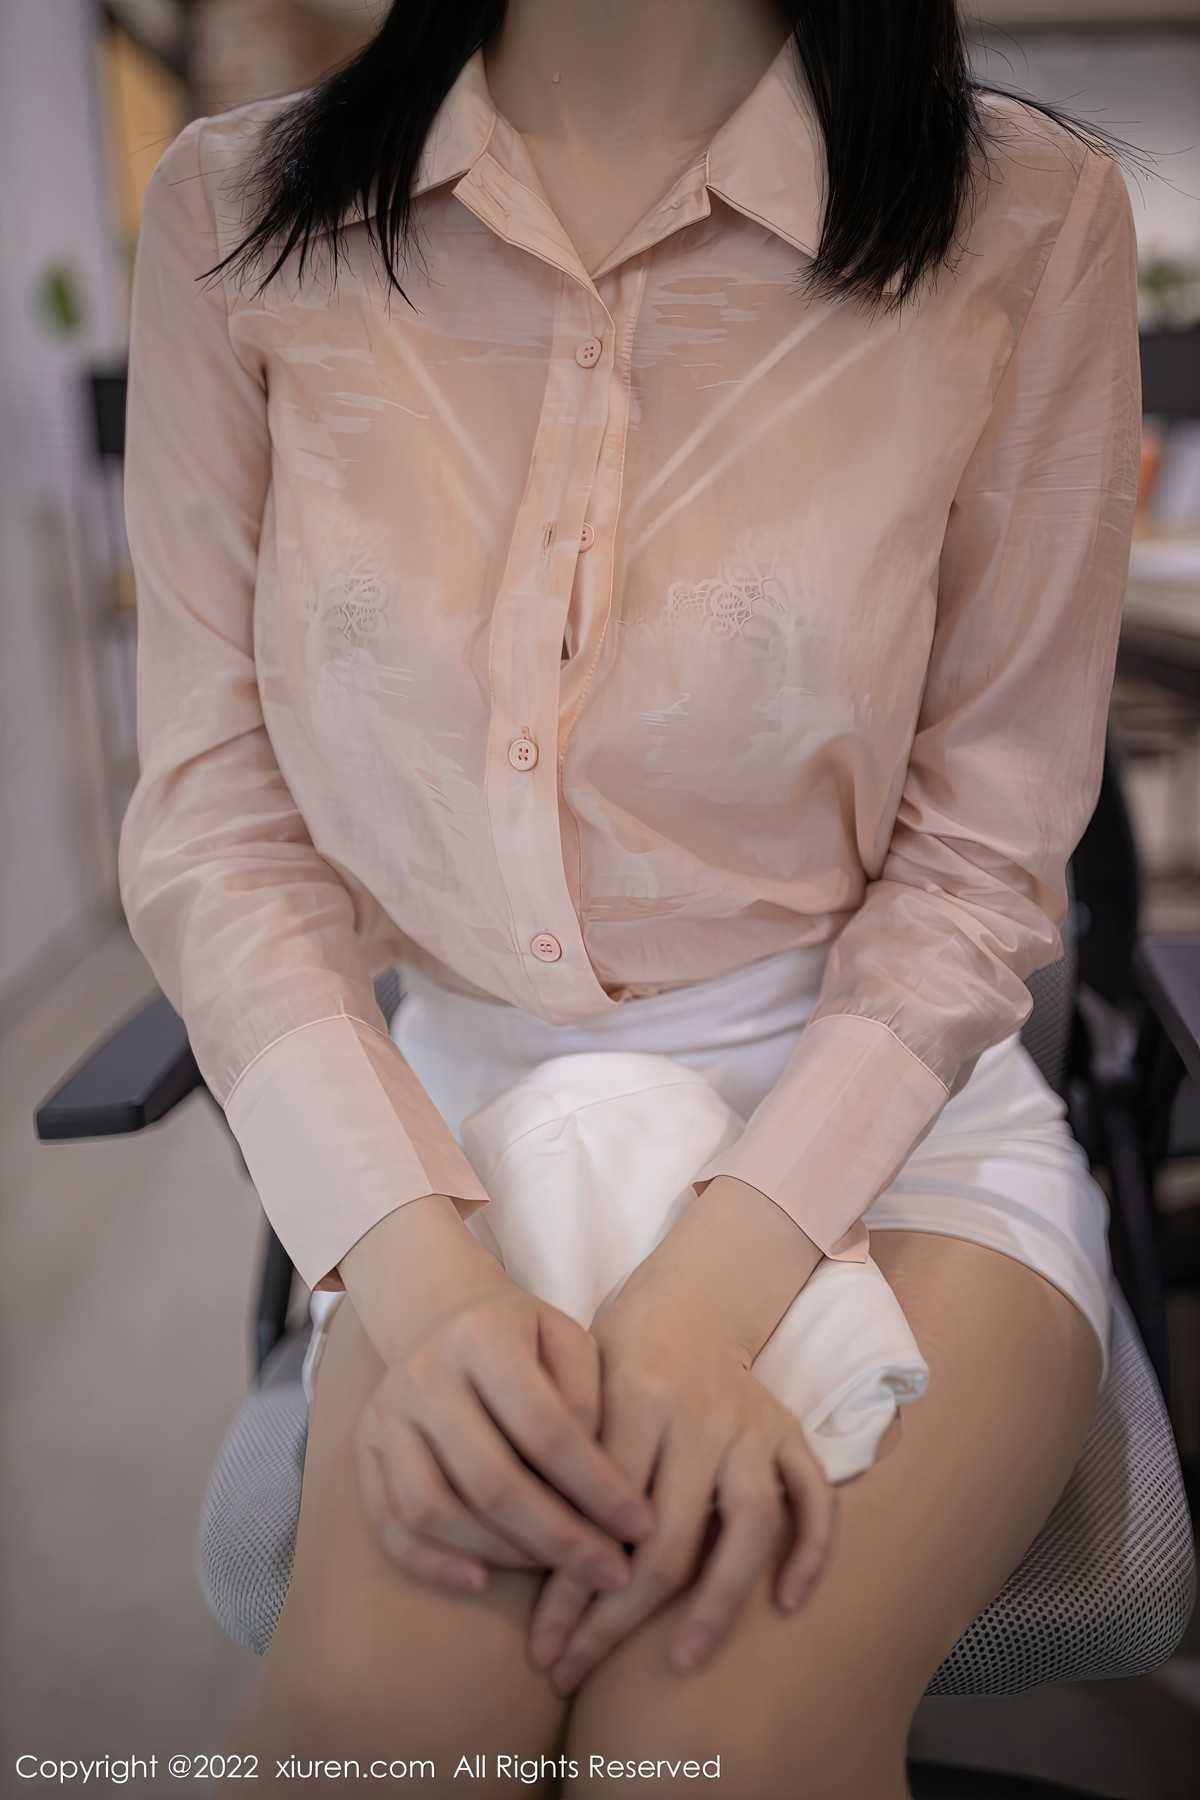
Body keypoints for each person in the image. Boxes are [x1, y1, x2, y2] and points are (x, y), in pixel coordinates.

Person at [118, 3, 1146, 1794]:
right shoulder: (237, 210)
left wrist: (711, 1295)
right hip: (454, 1153)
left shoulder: (1025, 216)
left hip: (880, 1139)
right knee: (378, 1742)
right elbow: (218, 831)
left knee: (719, 1737)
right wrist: (421, 1285)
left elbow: (986, 849)